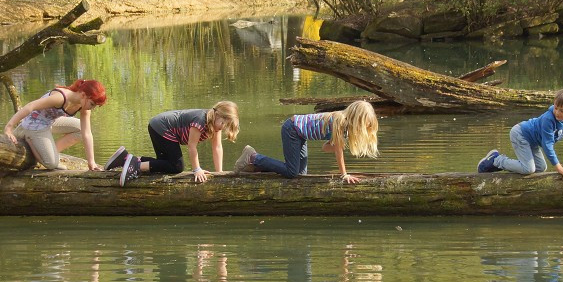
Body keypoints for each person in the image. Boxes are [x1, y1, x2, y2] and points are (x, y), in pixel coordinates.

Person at [233, 101, 379, 184]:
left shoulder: (345, 127)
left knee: (301, 175)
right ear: (357, 120)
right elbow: (338, 152)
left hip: (300, 135)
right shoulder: (340, 121)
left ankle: (255, 167)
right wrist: (344, 174)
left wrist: (338, 143)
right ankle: (253, 157)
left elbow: (325, 148)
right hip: (292, 129)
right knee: (292, 172)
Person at [106, 101, 239, 185]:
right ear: (217, 115)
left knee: (164, 164)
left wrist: (219, 173)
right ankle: (135, 166)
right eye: (222, 123)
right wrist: (197, 170)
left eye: (225, 126)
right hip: (162, 127)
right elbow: (192, 147)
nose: (222, 127)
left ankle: (125, 160)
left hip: (159, 126)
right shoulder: (201, 120)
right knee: (177, 166)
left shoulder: (214, 126)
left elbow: (217, 147)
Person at [476, 87, 563, 178]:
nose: (557, 112)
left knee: (541, 168)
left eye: (562, 111)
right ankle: (496, 159)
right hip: (520, 134)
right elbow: (547, 145)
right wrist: (559, 167)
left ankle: (497, 164)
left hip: (533, 141)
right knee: (528, 169)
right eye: (556, 108)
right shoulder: (548, 119)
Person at [3, 79, 107, 170]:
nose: (92, 108)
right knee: (51, 164)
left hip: (50, 121)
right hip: (34, 124)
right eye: (92, 104)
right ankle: (28, 137)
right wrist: (9, 128)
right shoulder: (61, 98)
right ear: (83, 95)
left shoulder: (84, 106)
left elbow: (87, 133)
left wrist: (91, 162)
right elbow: (31, 106)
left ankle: (51, 152)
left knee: (80, 129)